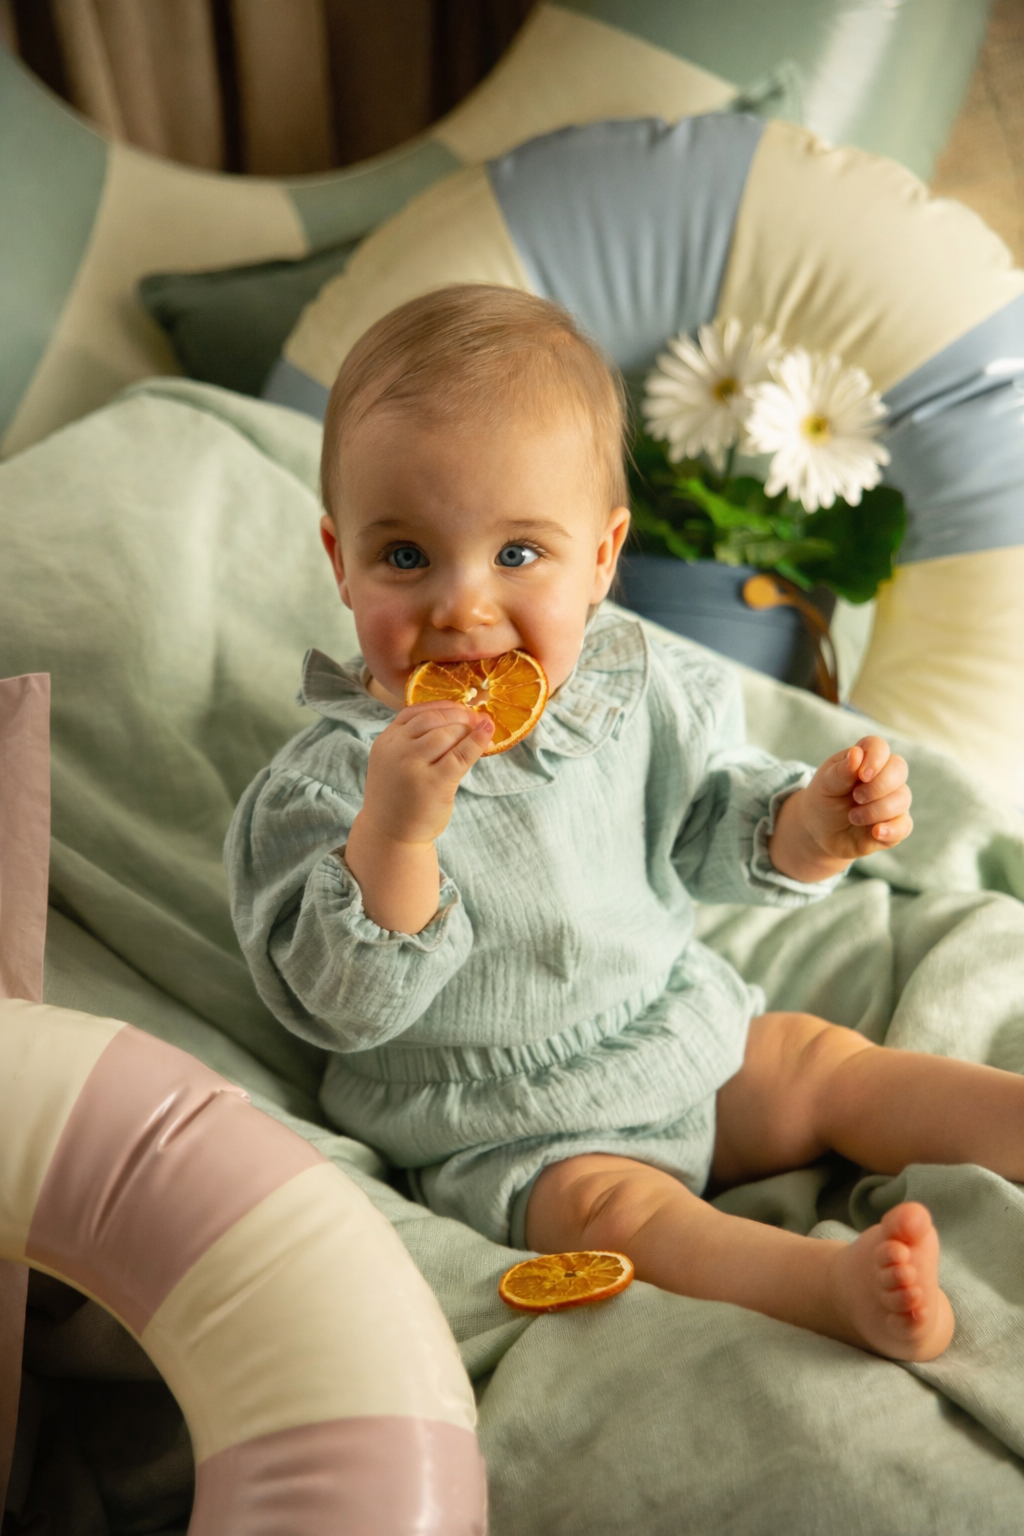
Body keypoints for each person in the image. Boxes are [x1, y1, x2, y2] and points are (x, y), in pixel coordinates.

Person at [226, 284, 1023, 1363]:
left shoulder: (632, 693)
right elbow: (340, 1005)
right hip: (509, 1127)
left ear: (602, 559)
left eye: (518, 554)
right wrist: (396, 835)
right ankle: (829, 1286)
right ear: (340, 558)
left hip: (672, 1028)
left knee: (823, 1061)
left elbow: (704, 826)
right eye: (405, 556)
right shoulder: (324, 785)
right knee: (626, 1219)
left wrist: (807, 826)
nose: (462, 608)